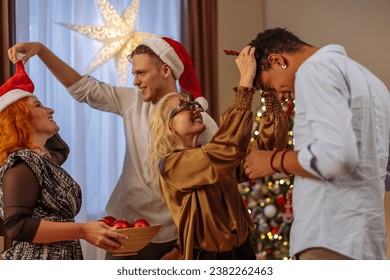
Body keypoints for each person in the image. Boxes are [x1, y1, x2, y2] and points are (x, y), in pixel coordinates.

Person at [8, 37, 218, 260]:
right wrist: (41, 50)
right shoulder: (133, 101)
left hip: (176, 237)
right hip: (124, 231)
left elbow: (208, 192)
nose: (135, 81)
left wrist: (182, 246)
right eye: (134, 73)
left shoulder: (199, 123)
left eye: (141, 73)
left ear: (166, 70)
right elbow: (83, 89)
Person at [243, 27, 390, 260]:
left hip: (329, 237)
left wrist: (273, 160)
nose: (280, 97)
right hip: (367, 241)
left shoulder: (314, 70)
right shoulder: (372, 81)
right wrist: (306, 188)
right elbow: (380, 169)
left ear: (278, 60)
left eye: (270, 87)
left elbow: (336, 157)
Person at [148, 45, 288, 259]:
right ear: (170, 127)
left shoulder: (209, 154)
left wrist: (268, 92)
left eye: (194, 104)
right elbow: (227, 149)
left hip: (244, 252)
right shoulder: (173, 166)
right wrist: (245, 83)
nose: (195, 109)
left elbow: (266, 151)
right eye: (183, 107)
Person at [0, 58, 127, 260]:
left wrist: (41, 136)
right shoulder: (22, 163)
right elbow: (17, 226)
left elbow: (61, 150)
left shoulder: (42, 161)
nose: (51, 110)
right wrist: (83, 230)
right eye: (39, 105)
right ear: (21, 118)